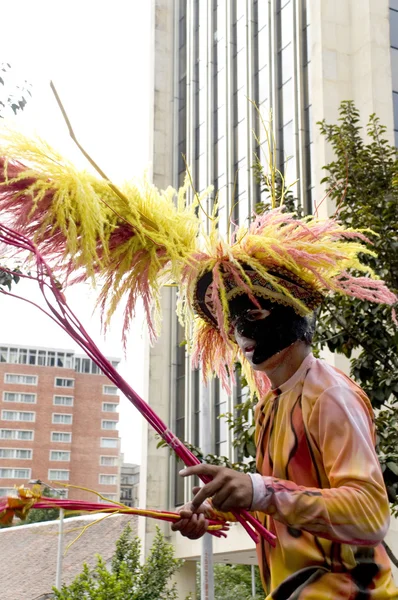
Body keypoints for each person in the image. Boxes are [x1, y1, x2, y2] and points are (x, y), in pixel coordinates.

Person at [172, 272, 398, 598]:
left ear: (290, 310)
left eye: (252, 315)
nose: (239, 331)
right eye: (230, 322)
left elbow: (370, 515)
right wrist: (212, 509)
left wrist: (258, 490)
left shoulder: (330, 395)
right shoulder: (268, 407)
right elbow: (284, 497)